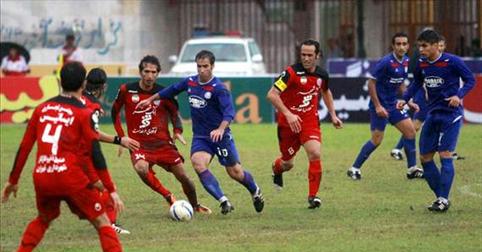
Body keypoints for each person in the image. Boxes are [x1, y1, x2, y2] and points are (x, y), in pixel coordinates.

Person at [1, 61, 134, 252]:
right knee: (102, 221)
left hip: (43, 176)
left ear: (60, 82)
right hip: (71, 178)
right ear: (83, 84)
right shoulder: (82, 112)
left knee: (43, 219)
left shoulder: (41, 109)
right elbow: (94, 152)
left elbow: (25, 146)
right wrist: (111, 189)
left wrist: (12, 181)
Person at [137, 50, 265, 215]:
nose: (202, 70)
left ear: (212, 66)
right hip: (201, 137)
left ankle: (255, 190)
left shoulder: (219, 89)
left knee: (235, 172)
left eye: (205, 66)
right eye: (199, 66)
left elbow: (229, 113)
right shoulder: (190, 82)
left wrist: (220, 129)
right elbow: (171, 90)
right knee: (198, 163)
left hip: (221, 137)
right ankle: (223, 201)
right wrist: (149, 100)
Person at [111, 55, 212, 214]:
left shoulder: (163, 93)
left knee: (184, 177)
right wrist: (122, 136)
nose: (150, 75)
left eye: (154, 72)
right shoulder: (126, 90)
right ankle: (167, 195)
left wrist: (177, 131)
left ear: (158, 73)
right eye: (146, 71)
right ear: (140, 72)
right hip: (139, 145)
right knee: (141, 169)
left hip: (163, 144)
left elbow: (174, 113)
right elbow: (114, 112)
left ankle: (195, 205)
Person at [397, 29, 475, 212]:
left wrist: (459, 95)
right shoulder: (421, 64)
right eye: (419, 46)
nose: (421, 50)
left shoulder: (452, 61)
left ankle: (442, 199)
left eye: (424, 46)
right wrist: (405, 98)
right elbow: (416, 82)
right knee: (425, 158)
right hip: (433, 113)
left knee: (445, 154)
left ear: (434, 45)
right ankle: (441, 196)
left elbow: (470, 80)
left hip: (451, 114)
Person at [266, 39, 343, 209]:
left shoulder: (322, 75)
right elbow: (272, 94)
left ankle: (313, 196)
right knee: (288, 163)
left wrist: (333, 115)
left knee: (315, 153)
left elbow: (326, 91)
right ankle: (276, 169)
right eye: (303, 55)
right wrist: (288, 114)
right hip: (288, 124)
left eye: (310, 55)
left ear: (317, 56)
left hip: (309, 121)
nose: (306, 58)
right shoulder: (290, 73)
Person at [347, 32, 424, 181]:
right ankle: (354, 168)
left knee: (410, 132)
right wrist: (377, 106)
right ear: (393, 46)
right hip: (380, 106)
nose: (401, 47)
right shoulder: (385, 62)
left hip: (393, 104)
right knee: (376, 140)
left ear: (408, 46)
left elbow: (400, 83)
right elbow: (371, 83)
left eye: (404, 44)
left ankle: (412, 169)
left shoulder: (406, 61)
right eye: (398, 44)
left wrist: (408, 100)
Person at [82, 67, 141, 234]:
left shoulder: (77, 98)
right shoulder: (93, 106)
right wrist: (119, 140)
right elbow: (93, 134)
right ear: (103, 88)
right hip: (81, 155)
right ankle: (110, 224)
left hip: (61, 152)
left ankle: (97, 216)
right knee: (106, 186)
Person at [390, 37, 464, 161]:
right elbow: (420, 80)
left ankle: (447, 149)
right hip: (423, 96)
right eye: (438, 45)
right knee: (417, 125)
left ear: (443, 46)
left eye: (441, 46)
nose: (439, 48)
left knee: (437, 124)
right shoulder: (422, 60)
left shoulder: (447, 61)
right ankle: (398, 148)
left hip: (434, 100)